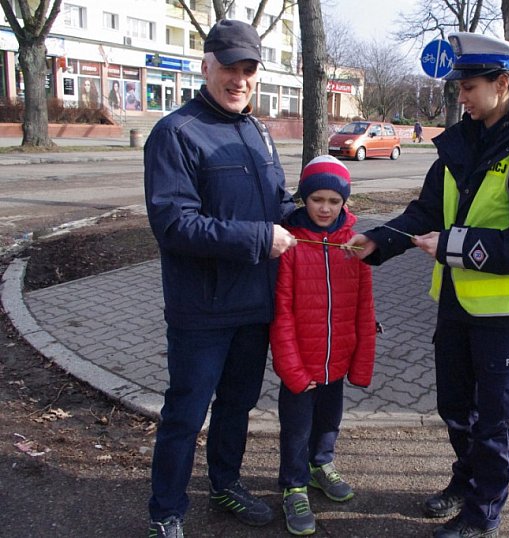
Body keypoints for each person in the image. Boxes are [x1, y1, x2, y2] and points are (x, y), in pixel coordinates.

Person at [346, 32, 509, 538]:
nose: (461, 98)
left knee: (496, 421)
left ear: (503, 84)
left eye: (469, 87)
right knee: (455, 408)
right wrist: (380, 241)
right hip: (455, 306)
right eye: (460, 88)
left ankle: (482, 514)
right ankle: (467, 479)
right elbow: (425, 211)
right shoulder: (460, 145)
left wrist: (451, 247)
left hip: (507, 316)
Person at [143, 19, 297, 538]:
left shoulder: (256, 131)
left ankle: (225, 483)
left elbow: (274, 204)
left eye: (248, 69)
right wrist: (259, 238)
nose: (239, 79)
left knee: (238, 405)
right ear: (205, 65)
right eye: (228, 67)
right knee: (186, 415)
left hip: (256, 303)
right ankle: (166, 513)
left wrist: (314, 214)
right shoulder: (176, 134)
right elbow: (174, 224)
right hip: (201, 310)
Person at [269, 155, 377, 536]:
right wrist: (292, 370)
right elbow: (280, 315)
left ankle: (320, 466)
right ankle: (294, 485)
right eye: (318, 200)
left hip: (338, 363)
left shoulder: (354, 245)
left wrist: (360, 364)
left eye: (334, 201)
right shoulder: (291, 245)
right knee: (297, 428)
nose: (326, 208)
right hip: (301, 365)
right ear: (304, 200)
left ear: (344, 202)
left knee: (329, 422)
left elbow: (365, 309)